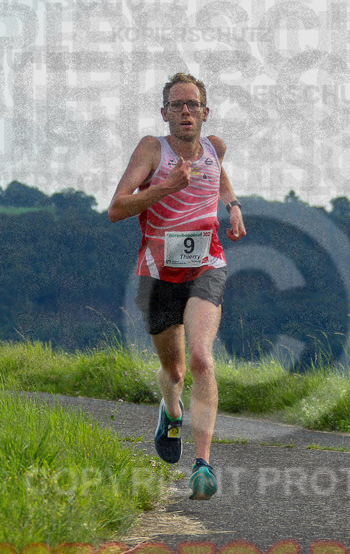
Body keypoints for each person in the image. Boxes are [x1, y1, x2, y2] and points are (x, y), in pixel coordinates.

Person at [108, 72, 246, 501]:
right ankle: (171, 412)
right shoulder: (153, 150)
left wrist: (232, 205)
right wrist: (166, 186)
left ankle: (202, 465)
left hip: (207, 266)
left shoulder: (215, 147)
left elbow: (217, 172)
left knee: (202, 358)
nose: (185, 111)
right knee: (175, 371)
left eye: (192, 104)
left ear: (205, 112)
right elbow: (116, 208)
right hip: (157, 275)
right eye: (177, 104)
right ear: (164, 112)